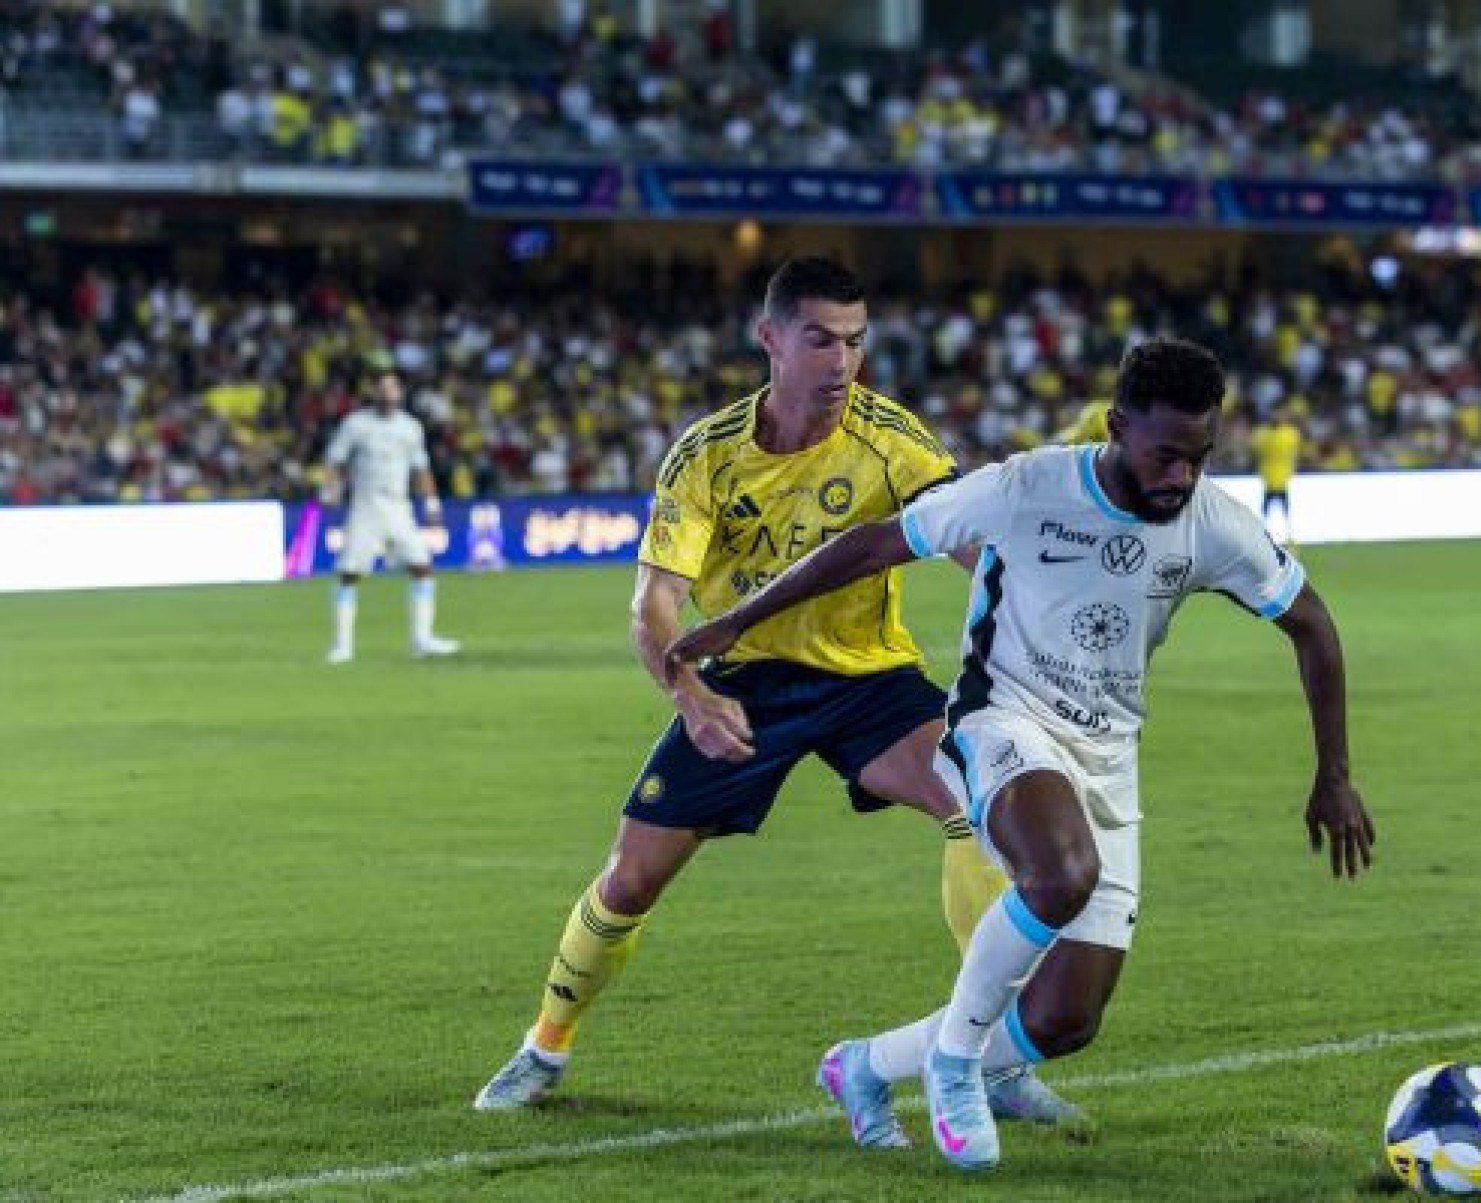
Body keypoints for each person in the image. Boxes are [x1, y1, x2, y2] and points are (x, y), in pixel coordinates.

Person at [669, 337, 1375, 1171]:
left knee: (1065, 1017)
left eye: (1199, 455)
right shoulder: (1026, 488)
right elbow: (874, 543)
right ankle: (954, 1063)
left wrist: (1333, 772)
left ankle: (865, 1065)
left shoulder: (1210, 523)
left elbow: (1313, 624)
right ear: (1116, 426)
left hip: (1108, 753)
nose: (1181, 476)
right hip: (1001, 717)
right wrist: (741, 616)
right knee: (1060, 873)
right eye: (1165, 455)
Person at [473, 256, 1075, 1128]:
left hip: (869, 677)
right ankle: (544, 1047)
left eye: (857, 341)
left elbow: (971, 546)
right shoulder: (708, 455)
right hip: (744, 680)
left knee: (980, 807)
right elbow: (656, 601)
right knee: (629, 880)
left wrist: (1039, 610)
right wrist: (689, 695)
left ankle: (993, 1059)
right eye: (821, 338)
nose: (842, 361)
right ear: (770, 339)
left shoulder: (894, 440)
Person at [321, 370, 459, 663]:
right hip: (366, 507)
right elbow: (335, 459)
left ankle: (421, 639)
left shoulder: (411, 428)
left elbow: (421, 468)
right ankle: (343, 645)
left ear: (400, 393)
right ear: (374, 392)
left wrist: (432, 503)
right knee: (349, 573)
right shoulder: (356, 424)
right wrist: (331, 487)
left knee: (422, 567)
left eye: (392, 388)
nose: (387, 393)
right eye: (382, 388)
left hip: (399, 507)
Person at [1251, 403, 1304, 544]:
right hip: (1269, 480)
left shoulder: (1290, 434)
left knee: (1284, 511)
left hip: (1281, 480)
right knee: (1266, 511)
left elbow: (1295, 455)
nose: (1277, 417)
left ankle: (1288, 536)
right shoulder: (1264, 434)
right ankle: (1264, 536)